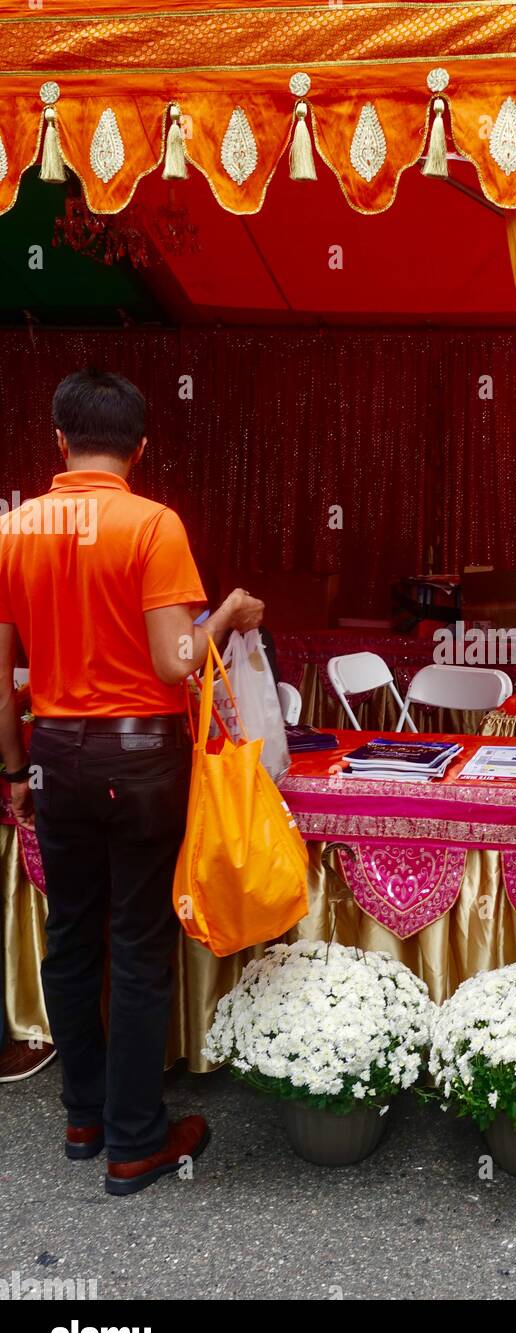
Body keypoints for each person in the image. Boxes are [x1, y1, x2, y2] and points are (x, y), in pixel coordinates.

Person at [0, 368, 263, 1195]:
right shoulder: (152, 524)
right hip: (139, 756)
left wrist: (13, 770)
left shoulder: (16, 529)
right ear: (140, 447)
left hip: (54, 751)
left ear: (58, 441)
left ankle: (83, 1116)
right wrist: (222, 615)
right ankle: (136, 1141)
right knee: (140, 946)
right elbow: (173, 661)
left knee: (72, 936)